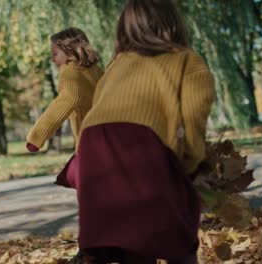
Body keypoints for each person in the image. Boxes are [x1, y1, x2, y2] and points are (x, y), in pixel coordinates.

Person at [68, 0, 215, 263]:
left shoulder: (118, 65)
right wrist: (191, 166)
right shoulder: (186, 60)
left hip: (92, 151)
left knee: (131, 242)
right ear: (173, 23)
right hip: (140, 144)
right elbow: (193, 125)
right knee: (178, 234)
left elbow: (98, 109)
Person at [26, 27, 103, 165]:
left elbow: (67, 100)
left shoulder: (69, 71)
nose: (52, 59)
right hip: (107, 135)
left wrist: (36, 137)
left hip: (89, 143)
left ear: (70, 51)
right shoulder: (95, 70)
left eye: (55, 54)